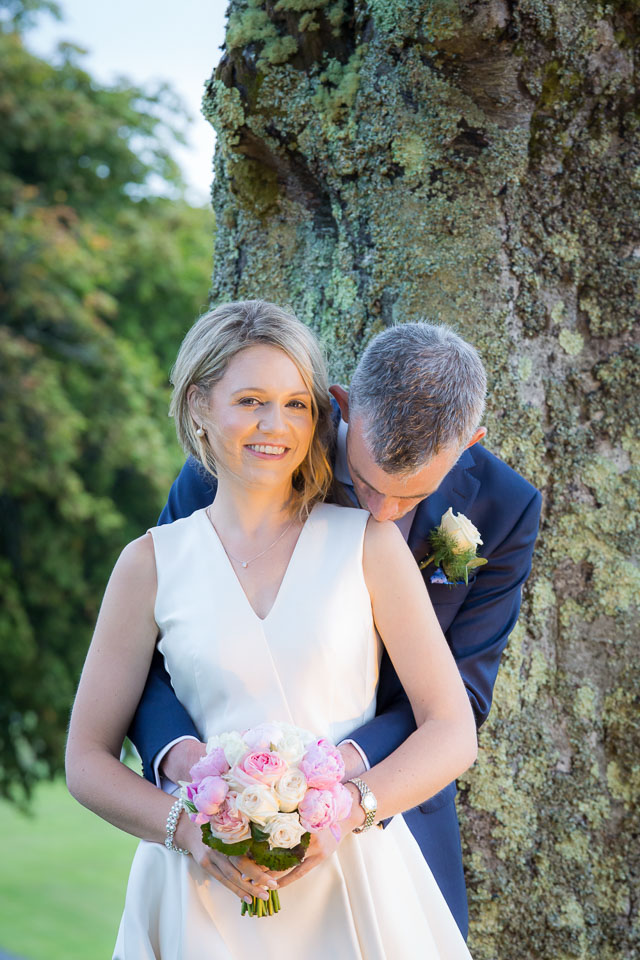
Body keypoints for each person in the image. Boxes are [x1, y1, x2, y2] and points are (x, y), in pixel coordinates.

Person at [66, 300, 478, 959]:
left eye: (295, 404)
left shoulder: (367, 545)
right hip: (200, 890)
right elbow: (85, 759)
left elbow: (452, 730)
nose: (274, 425)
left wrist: (349, 810)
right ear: (199, 404)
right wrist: (186, 831)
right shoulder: (149, 563)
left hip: (353, 881)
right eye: (251, 400)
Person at [129, 314, 542, 938]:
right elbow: (160, 645)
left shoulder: (506, 508)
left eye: (408, 499)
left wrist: (335, 776)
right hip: (225, 812)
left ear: (471, 444)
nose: (383, 513)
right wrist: (184, 762)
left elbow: (464, 696)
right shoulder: (246, 461)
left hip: (392, 807)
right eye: (371, 484)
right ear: (343, 405)